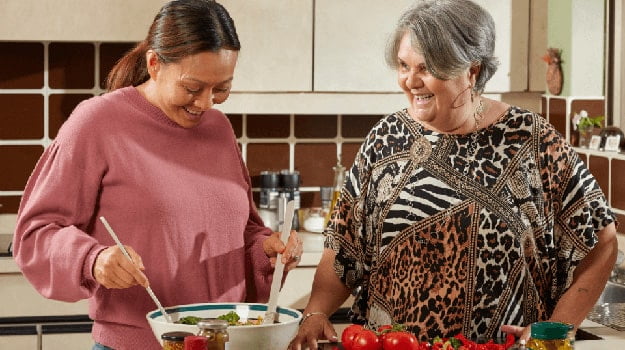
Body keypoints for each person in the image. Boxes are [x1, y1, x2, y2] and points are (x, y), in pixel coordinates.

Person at [289, 0, 618, 348]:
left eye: (427, 68)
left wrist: (557, 328)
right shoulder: (384, 140)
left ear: (472, 70)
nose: (411, 81)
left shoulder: (533, 141)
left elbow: (602, 241)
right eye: (403, 65)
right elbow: (343, 245)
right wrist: (315, 313)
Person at [12, 1, 303, 349]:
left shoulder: (219, 129)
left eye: (221, 88)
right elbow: (34, 235)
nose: (206, 103)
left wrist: (267, 250)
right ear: (154, 64)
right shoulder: (95, 124)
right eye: (193, 88)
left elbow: (243, 232)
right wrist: (95, 260)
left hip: (225, 342)